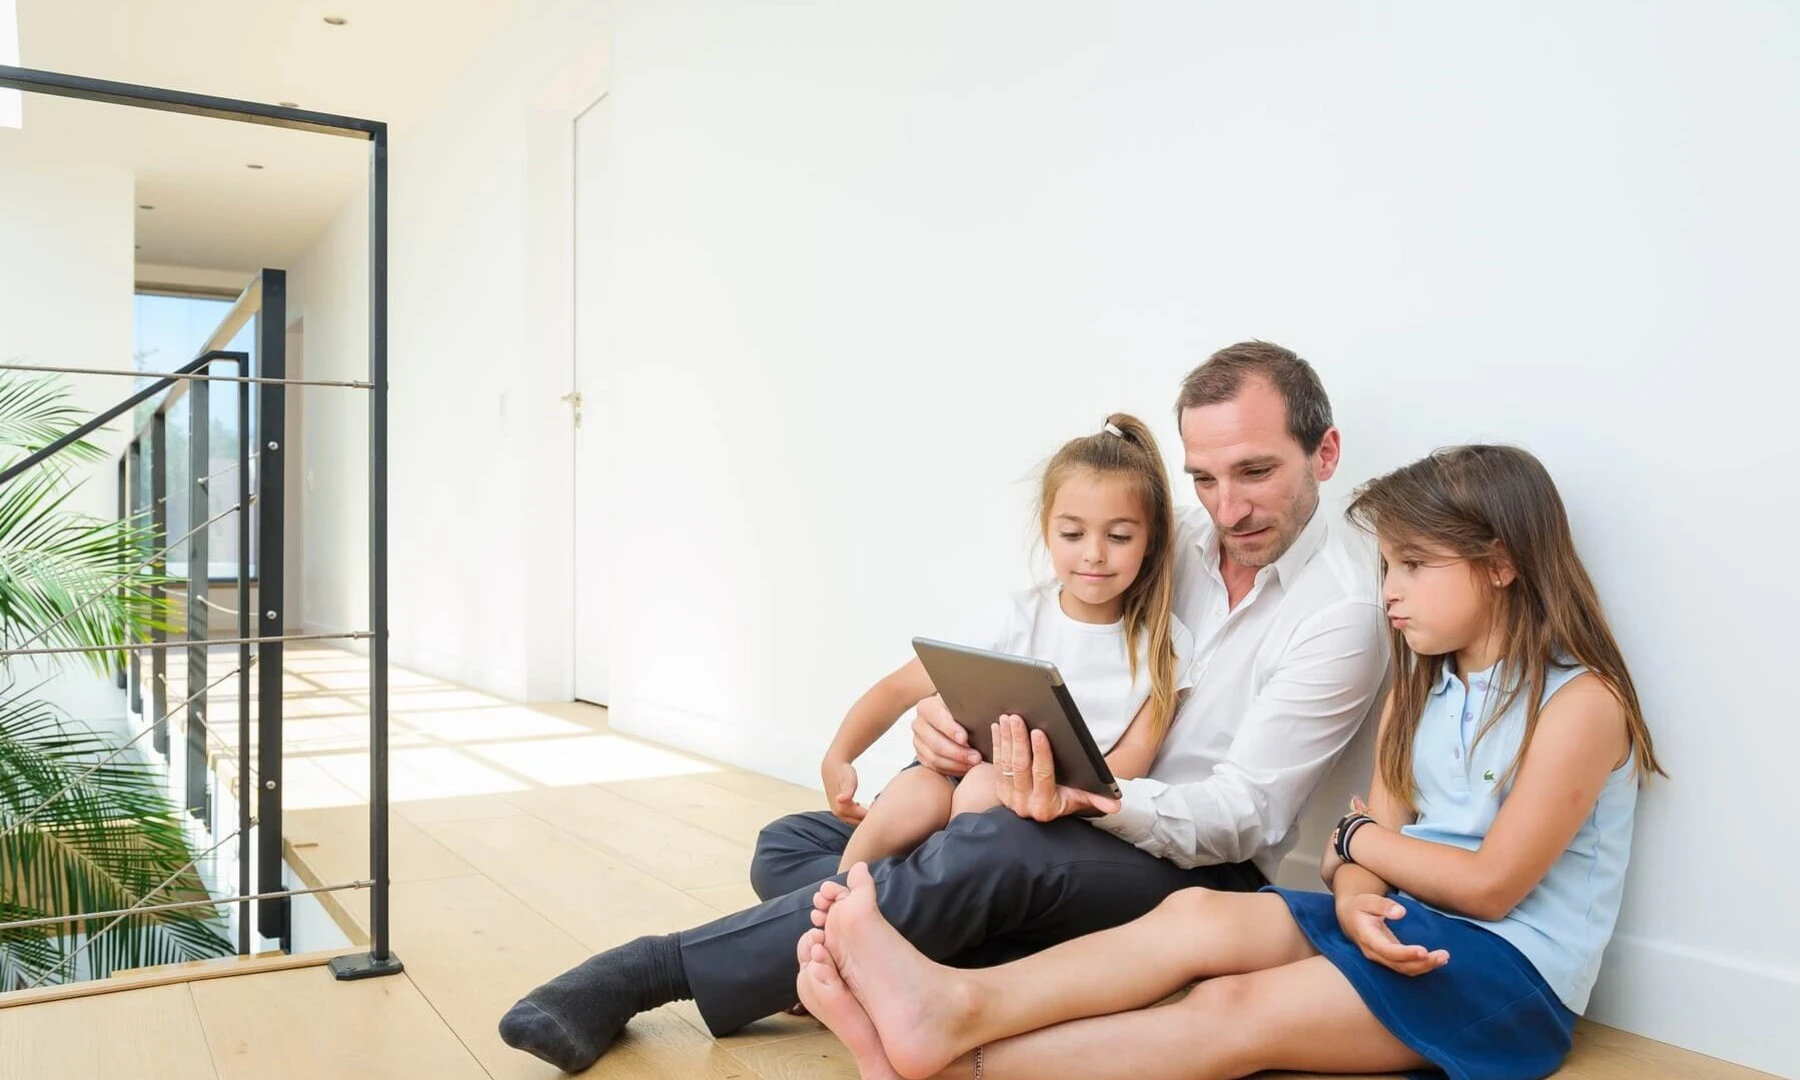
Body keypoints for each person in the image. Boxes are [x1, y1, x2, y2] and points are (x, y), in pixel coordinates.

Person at [498, 341, 1389, 1073]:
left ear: (1326, 454)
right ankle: (969, 957)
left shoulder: (1342, 613)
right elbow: (1055, 650)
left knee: (985, 849)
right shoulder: (1164, 540)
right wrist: (952, 729)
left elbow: (1241, 817)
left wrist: (1092, 800)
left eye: (1255, 473)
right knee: (798, 845)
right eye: (1202, 477)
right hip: (1047, 818)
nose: (1227, 508)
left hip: (1187, 867)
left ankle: (657, 968)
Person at [790, 443, 1667, 1080]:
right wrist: (1360, 897)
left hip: (1504, 975)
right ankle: (948, 1008)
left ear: (1502, 565)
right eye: (1387, 565)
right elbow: (1362, 848)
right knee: (1196, 922)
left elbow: (1489, 888)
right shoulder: (1420, 687)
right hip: (1401, 922)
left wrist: (1359, 847)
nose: (1388, 590)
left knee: (1228, 1014)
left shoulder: (1581, 703)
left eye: (1413, 566)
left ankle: (961, 1066)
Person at [825, 412, 1195, 874]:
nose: (1094, 553)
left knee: (983, 787)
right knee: (912, 795)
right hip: (959, 774)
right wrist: (839, 754)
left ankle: (930, 895)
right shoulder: (1017, 617)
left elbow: (1127, 765)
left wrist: (1053, 792)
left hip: (1058, 808)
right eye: (1072, 534)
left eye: (1119, 536)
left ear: (1151, 539)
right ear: (1047, 531)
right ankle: (830, 907)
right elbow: (900, 688)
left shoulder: (1166, 645)